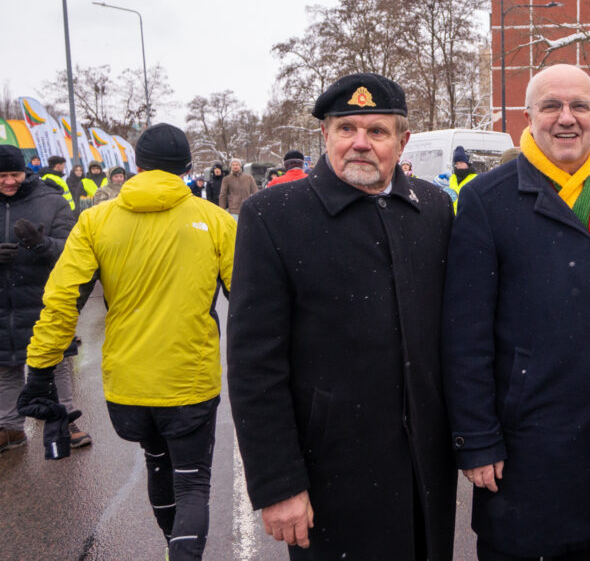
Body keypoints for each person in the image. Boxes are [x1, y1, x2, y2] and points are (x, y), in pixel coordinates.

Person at [441, 64, 590, 560]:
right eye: (551, 106)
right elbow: (466, 336)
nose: (566, 118)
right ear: (528, 116)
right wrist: (477, 438)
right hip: (529, 443)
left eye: (579, 106)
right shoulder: (487, 200)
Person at [228, 73, 457, 560]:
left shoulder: (434, 209)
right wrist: (278, 483)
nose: (360, 142)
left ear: (402, 141)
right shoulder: (273, 216)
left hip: (425, 471)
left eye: (377, 131)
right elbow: (255, 366)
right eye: (346, 128)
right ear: (325, 134)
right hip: (330, 476)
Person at [18, 124, 235, 560]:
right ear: (187, 167)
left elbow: (62, 300)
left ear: (136, 164)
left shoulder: (96, 220)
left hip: (128, 382)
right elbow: (251, 303)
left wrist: (39, 371)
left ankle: (172, 544)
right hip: (189, 378)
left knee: (157, 462)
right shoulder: (217, 221)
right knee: (192, 481)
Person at [0, 146, 85, 454]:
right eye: (2, 176)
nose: (9, 181)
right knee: (5, 364)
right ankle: (10, 428)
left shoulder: (51, 201)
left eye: (15, 174)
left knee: (54, 361)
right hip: (3, 303)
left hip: (42, 298)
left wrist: (41, 244)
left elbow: (74, 248)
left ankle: (65, 419)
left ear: (25, 172)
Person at [448, 145, 477, 213]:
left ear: (467, 163)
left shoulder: (475, 178)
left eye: (461, 163)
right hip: (453, 215)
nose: (459, 165)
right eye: (457, 163)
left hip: (467, 214)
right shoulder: (452, 178)